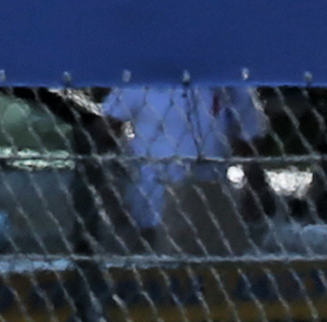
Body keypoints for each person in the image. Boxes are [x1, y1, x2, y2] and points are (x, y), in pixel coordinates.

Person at [109, 80, 259, 247]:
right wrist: (114, 189)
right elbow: (109, 124)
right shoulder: (144, 77)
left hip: (209, 190)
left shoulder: (228, 82)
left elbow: (249, 137)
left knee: (206, 248)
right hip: (152, 191)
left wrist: (253, 188)